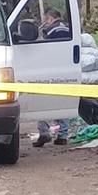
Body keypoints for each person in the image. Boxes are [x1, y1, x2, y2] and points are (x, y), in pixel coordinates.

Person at [33, 8, 72, 147]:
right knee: (63, 103)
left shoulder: (52, 30)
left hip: (49, 70)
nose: (45, 23)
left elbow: (42, 47)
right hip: (66, 70)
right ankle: (63, 135)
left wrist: (40, 31)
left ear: (50, 18)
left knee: (41, 101)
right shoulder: (67, 28)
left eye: (46, 20)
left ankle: (44, 133)